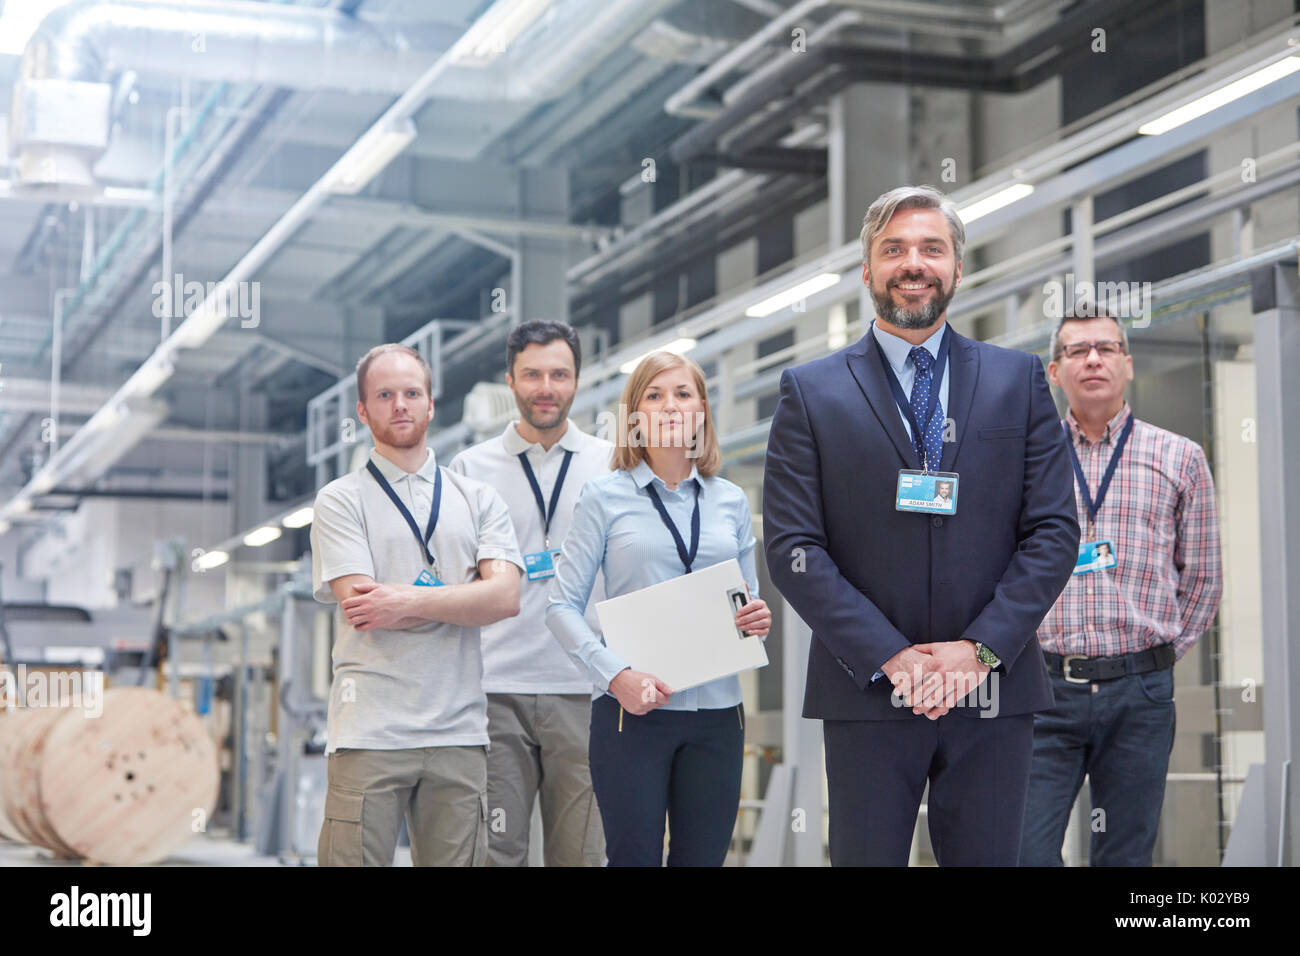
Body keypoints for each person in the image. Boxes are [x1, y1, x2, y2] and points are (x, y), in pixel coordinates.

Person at [763, 184, 1080, 866]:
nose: (914, 263)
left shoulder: (1017, 380)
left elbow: (1054, 532)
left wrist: (977, 651)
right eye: (894, 249)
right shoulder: (811, 391)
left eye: (931, 248)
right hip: (869, 691)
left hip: (992, 690)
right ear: (869, 270)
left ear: (958, 268)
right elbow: (793, 546)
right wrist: (895, 658)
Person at [546, 351, 772, 866]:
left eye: (683, 394)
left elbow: (747, 601)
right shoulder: (603, 499)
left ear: (702, 411)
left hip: (719, 715)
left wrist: (757, 618)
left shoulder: (731, 501)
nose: (670, 406)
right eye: (654, 395)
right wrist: (614, 675)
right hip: (632, 715)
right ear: (634, 415)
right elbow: (559, 607)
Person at [1020, 311, 1222, 866]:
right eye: (1076, 350)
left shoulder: (1179, 457)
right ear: (1055, 372)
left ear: (1127, 365)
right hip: (1043, 689)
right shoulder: (1025, 462)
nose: (1092, 359)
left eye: (1106, 348)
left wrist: (1154, 658)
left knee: (1126, 857)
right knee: (1022, 850)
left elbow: (1203, 578)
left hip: (1141, 695)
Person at [311, 343, 524, 866]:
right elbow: (362, 606)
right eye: (384, 395)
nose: (399, 405)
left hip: (459, 731)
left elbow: (505, 597)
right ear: (363, 411)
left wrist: (406, 599)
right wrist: (462, 598)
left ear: (431, 404)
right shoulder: (341, 499)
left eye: (412, 393)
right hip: (370, 731)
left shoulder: (478, 499)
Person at [448, 320, 612, 866]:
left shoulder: (613, 465)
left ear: (577, 380)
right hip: (495, 690)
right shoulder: (470, 470)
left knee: (583, 854)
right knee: (495, 850)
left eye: (559, 374)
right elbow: (455, 581)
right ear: (511, 380)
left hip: (587, 688)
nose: (546, 387)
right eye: (533, 374)